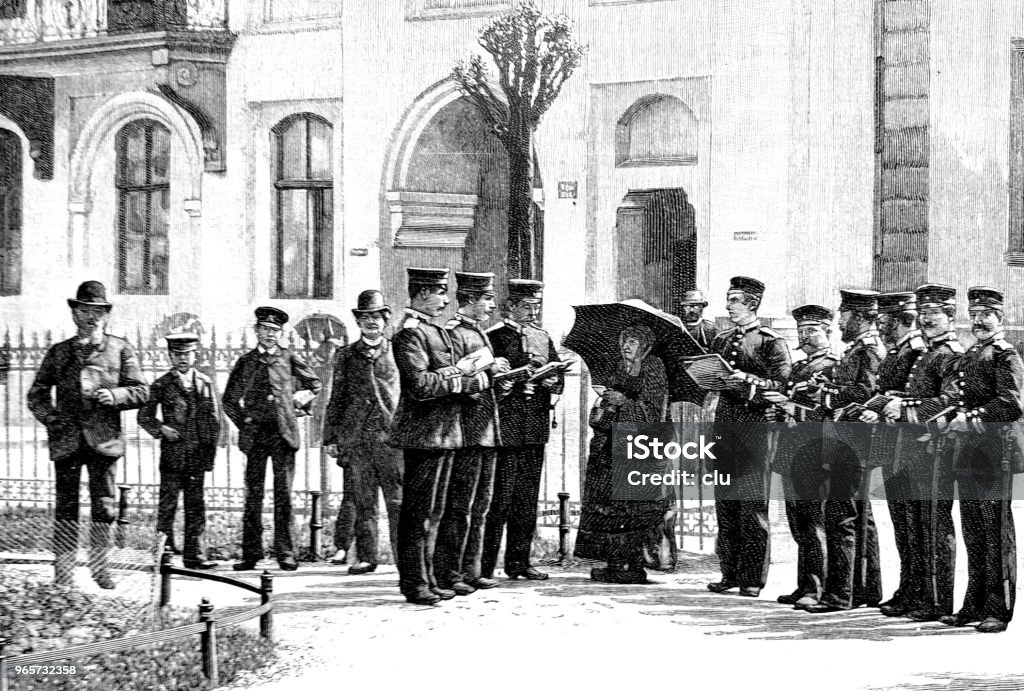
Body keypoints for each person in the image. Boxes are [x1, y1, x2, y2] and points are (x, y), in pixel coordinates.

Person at [27, 280, 149, 588]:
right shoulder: (59, 353)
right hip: (67, 441)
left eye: (97, 311)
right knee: (66, 506)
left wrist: (117, 396)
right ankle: (64, 574)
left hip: (104, 441)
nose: (90, 317)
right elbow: (37, 395)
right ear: (74, 314)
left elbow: (141, 391)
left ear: (106, 315)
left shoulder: (121, 349)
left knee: (104, 506)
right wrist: (51, 419)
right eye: (84, 311)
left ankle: (100, 568)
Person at [390, 268, 495, 605]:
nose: (447, 299)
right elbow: (420, 386)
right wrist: (462, 379)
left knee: (435, 512)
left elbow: (446, 376)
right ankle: (415, 583)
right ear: (421, 294)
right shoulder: (409, 334)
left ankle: (431, 578)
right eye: (440, 292)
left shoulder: (434, 330)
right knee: (418, 513)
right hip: (424, 434)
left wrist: (466, 377)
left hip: (447, 433)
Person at [870, 284, 963, 621]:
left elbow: (949, 401)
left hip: (932, 450)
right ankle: (912, 591)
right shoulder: (926, 352)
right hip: (906, 447)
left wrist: (903, 408)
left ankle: (936, 600)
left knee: (932, 526)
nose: (926, 320)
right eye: (922, 315)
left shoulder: (951, 353)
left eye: (933, 314)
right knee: (908, 524)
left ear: (950, 316)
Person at [936, 287, 1022, 633]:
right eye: (974, 315)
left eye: (986, 315)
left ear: (1000, 317)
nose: (978, 321)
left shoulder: (1005, 354)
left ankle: (997, 610)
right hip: (969, 453)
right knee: (973, 531)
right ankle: (973, 604)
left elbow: (1011, 404)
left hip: (994, 451)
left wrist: (968, 419)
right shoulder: (974, 353)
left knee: (995, 533)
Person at [798, 289, 884, 613]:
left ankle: (839, 595)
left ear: (859, 317)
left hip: (855, 441)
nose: (841, 320)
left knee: (841, 516)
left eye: (844, 315)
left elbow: (867, 391)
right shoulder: (857, 350)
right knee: (859, 518)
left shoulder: (870, 350)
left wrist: (828, 398)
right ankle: (865, 590)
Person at [706, 276, 791, 598]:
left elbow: (782, 387)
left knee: (752, 507)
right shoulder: (723, 340)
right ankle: (729, 573)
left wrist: (747, 382)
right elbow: (713, 380)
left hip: (755, 431)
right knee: (726, 504)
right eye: (728, 300)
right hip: (725, 429)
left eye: (735, 301)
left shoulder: (771, 342)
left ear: (752, 305)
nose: (728, 306)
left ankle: (752, 579)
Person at [223, 306, 321, 572]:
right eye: (264, 329)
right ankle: (251, 555)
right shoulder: (246, 362)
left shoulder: (288, 358)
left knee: (284, 496)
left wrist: (298, 404)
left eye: (274, 331)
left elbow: (315, 385)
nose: (269, 335)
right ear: (256, 331)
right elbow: (229, 400)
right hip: (255, 436)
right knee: (253, 495)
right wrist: (244, 421)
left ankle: (286, 554)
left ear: (281, 333)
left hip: (283, 436)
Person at [574, 324, 671, 584]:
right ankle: (616, 563)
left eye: (633, 341)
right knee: (613, 507)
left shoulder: (653, 367)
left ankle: (632, 565)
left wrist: (622, 402)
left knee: (633, 508)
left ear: (645, 344)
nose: (626, 346)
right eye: (625, 340)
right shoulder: (622, 366)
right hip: (613, 446)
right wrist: (606, 399)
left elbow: (654, 413)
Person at [435, 272, 512, 595]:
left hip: (486, 430)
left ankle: (473, 569)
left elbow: (484, 381)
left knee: (480, 505)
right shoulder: (453, 333)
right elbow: (455, 382)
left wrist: (503, 380)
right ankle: (450, 573)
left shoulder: (479, 333)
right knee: (459, 506)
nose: (492, 306)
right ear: (469, 300)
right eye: (487, 300)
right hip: (466, 430)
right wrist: (488, 375)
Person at [482, 279, 564, 581]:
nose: (533, 311)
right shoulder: (494, 337)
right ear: (511, 306)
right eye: (527, 306)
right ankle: (485, 565)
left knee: (527, 500)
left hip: (535, 427)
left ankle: (519, 562)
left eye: (537, 306)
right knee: (499, 499)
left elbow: (557, 375)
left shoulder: (543, 337)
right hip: (506, 427)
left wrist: (551, 381)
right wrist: (512, 382)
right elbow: (489, 381)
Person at [762, 304, 837, 608]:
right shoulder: (799, 367)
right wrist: (775, 411)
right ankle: (804, 583)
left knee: (814, 523)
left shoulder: (833, 366)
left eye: (812, 331)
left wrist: (790, 408)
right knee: (799, 523)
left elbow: (828, 413)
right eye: (801, 331)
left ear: (828, 332)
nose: (805, 337)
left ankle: (817, 588)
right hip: (793, 450)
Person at [323, 290, 403, 575]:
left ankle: (402, 557)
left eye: (376, 317)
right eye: (365, 317)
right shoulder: (345, 355)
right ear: (358, 321)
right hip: (357, 441)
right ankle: (367, 557)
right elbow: (336, 398)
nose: (371, 322)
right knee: (363, 500)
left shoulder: (398, 351)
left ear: (385, 320)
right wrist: (330, 437)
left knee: (397, 502)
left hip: (391, 440)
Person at [859, 291, 927, 616]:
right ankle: (907, 590)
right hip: (892, 444)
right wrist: (874, 405)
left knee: (915, 526)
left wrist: (883, 404)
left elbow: (914, 395)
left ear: (900, 321)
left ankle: (919, 594)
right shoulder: (895, 351)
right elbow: (882, 391)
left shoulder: (916, 350)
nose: (880, 327)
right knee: (901, 524)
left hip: (911, 445)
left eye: (884, 322)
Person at [138, 332, 220, 570]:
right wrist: (161, 429)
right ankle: (163, 555)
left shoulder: (205, 383)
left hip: (196, 455)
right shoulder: (161, 385)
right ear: (170, 356)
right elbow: (144, 417)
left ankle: (196, 556)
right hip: (172, 454)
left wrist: (209, 455)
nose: (182, 359)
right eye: (177, 354)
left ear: (195, 355)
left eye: (187, 354)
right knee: (168, 505)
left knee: (196, 505)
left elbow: (214, 421)